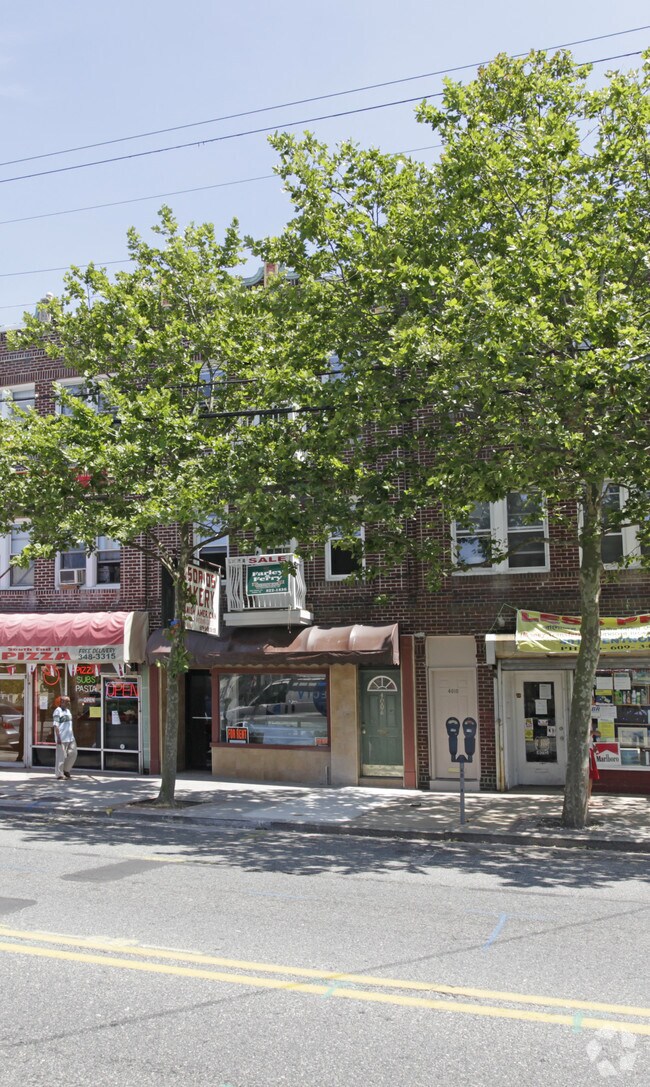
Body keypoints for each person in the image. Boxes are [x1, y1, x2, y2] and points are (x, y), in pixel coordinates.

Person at [53, 695, 77, 780]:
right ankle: (59, 774)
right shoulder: (57, 711)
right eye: (67, 701)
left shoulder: (68, 711)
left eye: (69, 701)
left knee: (73, 753)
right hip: (62, 737)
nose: (69, 703)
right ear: (62, 702)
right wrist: (58, 738)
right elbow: (56, 726)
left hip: (70, 737)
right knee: (61, 756)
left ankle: (66, 770)